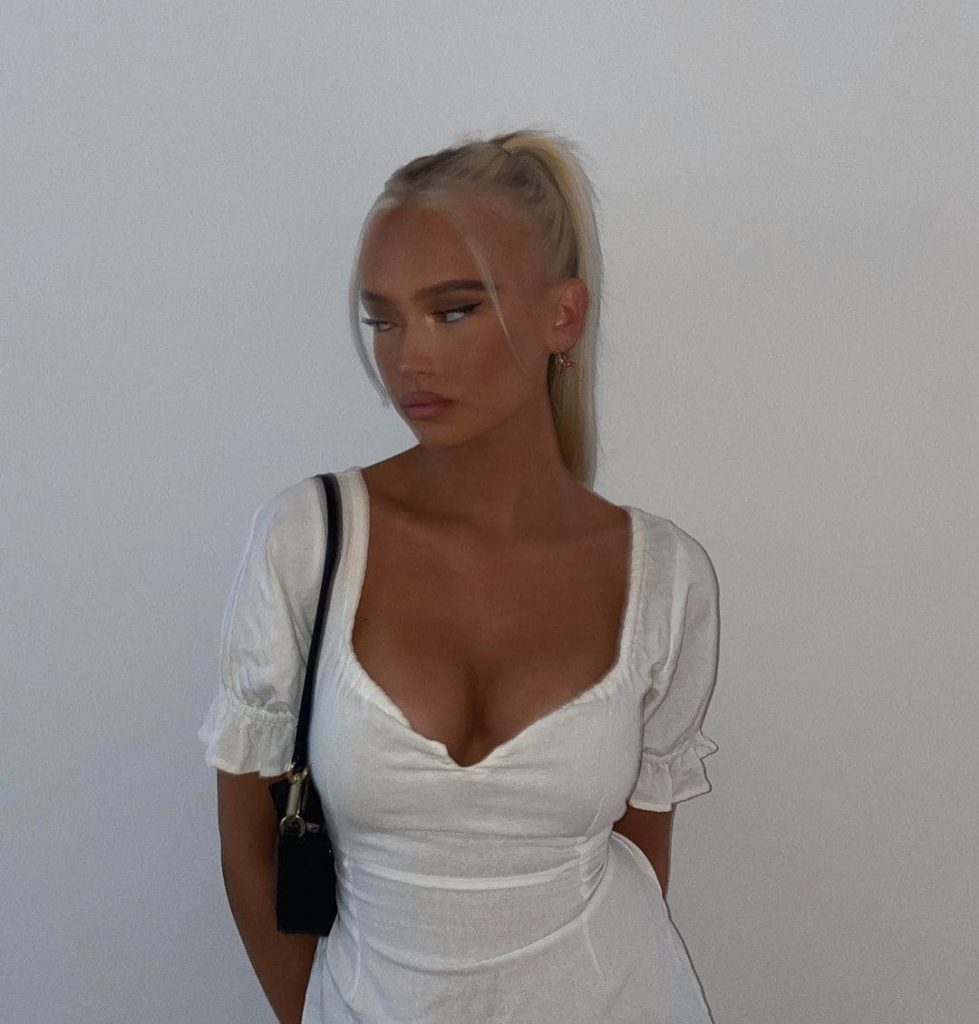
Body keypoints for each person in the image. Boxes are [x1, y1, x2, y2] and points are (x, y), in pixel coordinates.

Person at [199, 127, 721, 1024]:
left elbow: (640, 855)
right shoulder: (308, 542)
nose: (409, 358)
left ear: (563, 316)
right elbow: (249, 840)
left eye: (452, 311)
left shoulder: (662, 578)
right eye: (382, 319)